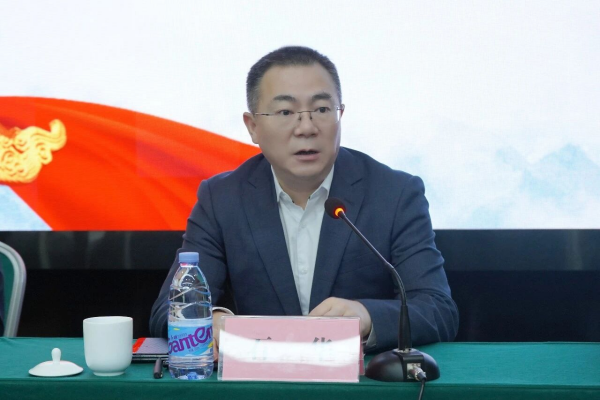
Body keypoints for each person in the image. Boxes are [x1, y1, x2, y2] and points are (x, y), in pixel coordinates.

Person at [150, 46, 458, 354]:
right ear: (253, 127)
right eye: (285, 112)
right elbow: (168, 308)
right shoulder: (222, 199)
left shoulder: (394, 194)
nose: (307, 128)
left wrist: (367, 316)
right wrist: (213, 320)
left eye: (322, 110)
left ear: (340, 115)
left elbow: (437, 308)